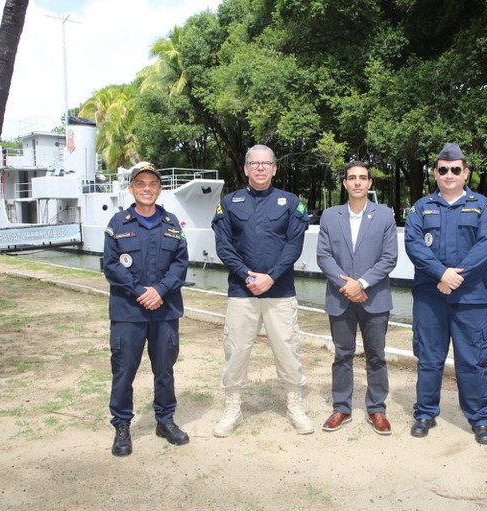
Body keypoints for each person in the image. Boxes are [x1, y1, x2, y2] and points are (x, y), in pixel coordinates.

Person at [211, 144, 314, 436]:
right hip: (241, 292)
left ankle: (295, 405)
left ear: (274, 168)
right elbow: (224, 247)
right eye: (254, 163)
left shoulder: (291, 202)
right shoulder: (230, 203)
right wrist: (246, 275)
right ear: (245, 169)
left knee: (287, 348)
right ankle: (232, 407)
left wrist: (271, 277)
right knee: (237, 350)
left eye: (265, 163)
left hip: (280, 292)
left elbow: (294, 246)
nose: (260, 168)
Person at [404, 143, 487, 444]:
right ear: (435, 172)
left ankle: (480, 419)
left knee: (472, 360)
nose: (449, 174)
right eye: (443, 169)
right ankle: (425, 413)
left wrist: (456, 276)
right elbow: (414, 245)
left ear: (465, 172)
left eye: (455, 169)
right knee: (429, 357)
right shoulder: (421, 207)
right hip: (430, 297)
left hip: (469, 297)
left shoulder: (481, 205)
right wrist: (441, 274)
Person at [103, 163, 190, 457]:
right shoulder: (118, 222)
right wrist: (140, 292)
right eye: (141, 183)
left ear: (160, 188)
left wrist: (160, 291)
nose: (147, 188)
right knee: (124, 369)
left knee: (164, 369)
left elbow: (180, 263)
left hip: (164, 310)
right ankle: (122, 426)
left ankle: (164, 421)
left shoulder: (171, 222)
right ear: (132, 188)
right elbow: (111, 265)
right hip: (129, 310)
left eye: (153, 183)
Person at [316, 161, 398, 435]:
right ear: (345, 183)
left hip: (374, 297)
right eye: (352, 178)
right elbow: (323, 256)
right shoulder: (330, 216)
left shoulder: (385, 215)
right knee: (342, 355)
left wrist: (361, 283)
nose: (358, 182)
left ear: (370, 183)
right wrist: (347, 285)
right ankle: (342, 407)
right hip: (340, 298)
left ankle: (377, 409)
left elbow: (389, 258)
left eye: (363, 178)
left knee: (376, 356)